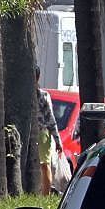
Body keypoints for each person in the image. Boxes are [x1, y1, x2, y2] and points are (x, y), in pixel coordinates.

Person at [36, 67, 63, 196]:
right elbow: (50, 119)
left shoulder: (25, 96)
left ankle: (44, 194)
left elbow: (50, 119)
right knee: (44, 164)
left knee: (43, 164)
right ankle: (44, 195)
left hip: (36, 134)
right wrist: (57, 141)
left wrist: (57, 140)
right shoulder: (43, 95)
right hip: (42, 133)